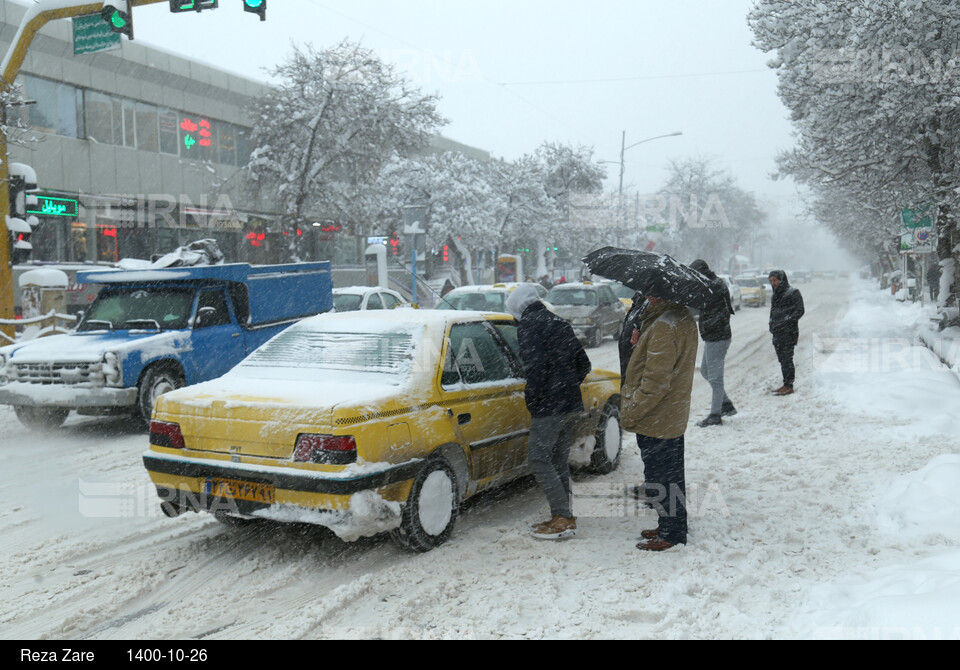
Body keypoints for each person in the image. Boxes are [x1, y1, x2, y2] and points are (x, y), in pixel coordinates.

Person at [506, 283, 592, 540]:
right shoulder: (558, 322)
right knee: (556, 460)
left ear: (518, 308)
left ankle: (562, 518)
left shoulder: (529, 326)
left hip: (550, 405)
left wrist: (536, 399)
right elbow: (584, 364)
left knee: (538, 459)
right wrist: (566, 385)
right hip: (570, 403)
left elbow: (536, 368)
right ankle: (564, 514)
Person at [621, 294, 698, 551]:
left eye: (649, 292)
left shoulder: (665, 325)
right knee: (670, 475)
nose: (645, 297)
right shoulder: (681, 317)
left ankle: (671, 533)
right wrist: (642, 342)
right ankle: (671, 524)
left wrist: (632, 411)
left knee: (660, 476)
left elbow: (655, 382)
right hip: (670, 414)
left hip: (657, 416)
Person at [689, 260, 736, 426]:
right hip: (714, 336)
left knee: (715, 378)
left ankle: (715, 415)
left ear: (700, 271)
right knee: (705, 371)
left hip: (717, 336)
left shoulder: (712, 287)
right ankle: (726, 404)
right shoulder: (714, 284)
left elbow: (696, 307)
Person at [768, 270, 805, 396]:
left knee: (787, 359)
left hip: (789, 332)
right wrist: (771, 324)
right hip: (777, 332)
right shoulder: (775, 295)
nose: (773, 283)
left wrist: (787, 321)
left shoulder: (793, 293)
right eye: (771, 281)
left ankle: (789, 385)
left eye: (775, 280)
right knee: (782, 359)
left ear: (781, 280)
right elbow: (773, 312)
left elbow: (800, 310)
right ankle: (785, 384)